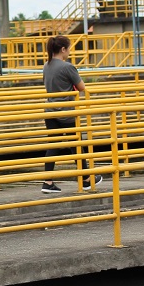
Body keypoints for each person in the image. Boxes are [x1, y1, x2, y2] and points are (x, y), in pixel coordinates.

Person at [40, 35, 103, 194]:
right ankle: (86, 179)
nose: (69, 52)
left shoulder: (46, 66)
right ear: (63, 49)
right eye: (68, 49)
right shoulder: (67, 67)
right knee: (77, 144)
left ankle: (48, 182)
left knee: (53, 144)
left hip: (50, 111)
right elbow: (82, 87)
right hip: (67, 112)